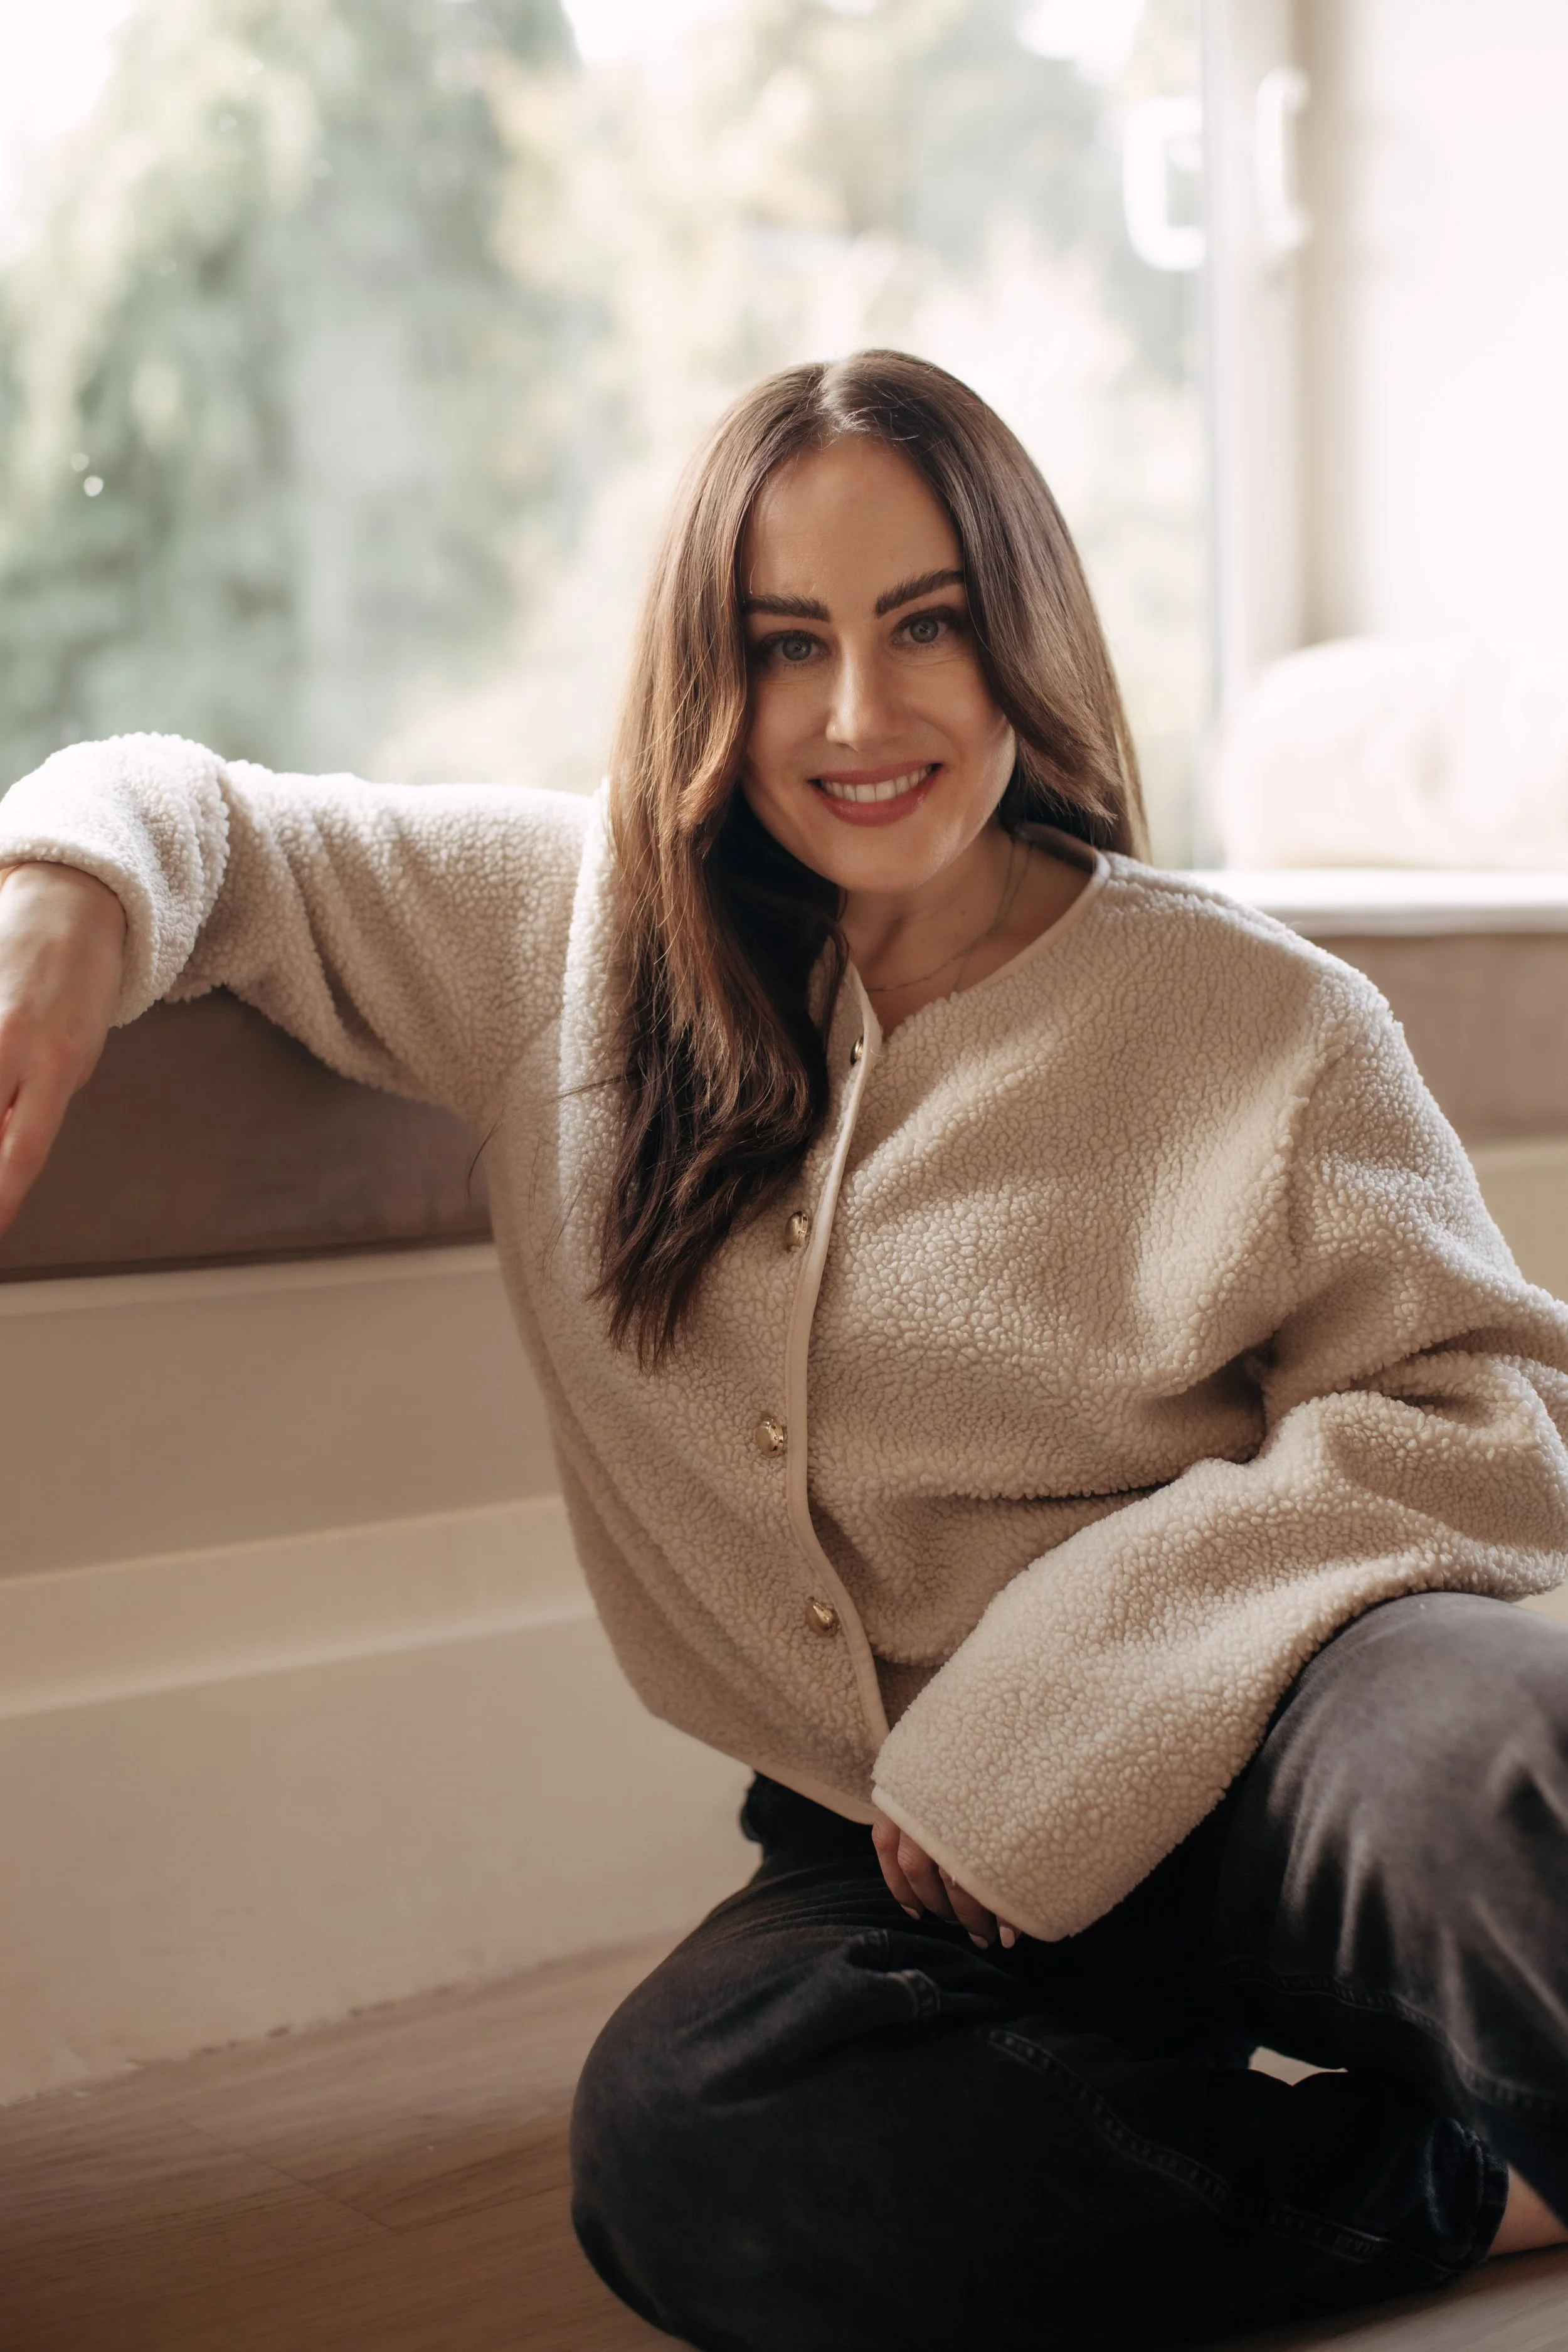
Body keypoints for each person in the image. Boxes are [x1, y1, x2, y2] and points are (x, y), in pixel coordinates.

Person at [1, 350, 1567, 2349]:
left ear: (1021, 635)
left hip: (1275, 1740)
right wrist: (59, 898)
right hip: (891, 1870)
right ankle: (1447, 2181)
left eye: (924, 625)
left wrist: (1052, 1711)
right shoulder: (560, 938)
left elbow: (1485, 1419)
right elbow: (207, 817)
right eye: (780, 643)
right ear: (702, 674)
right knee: (693, 2136)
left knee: (1513, 1760)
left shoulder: (1261, 1018)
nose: (855, 713)